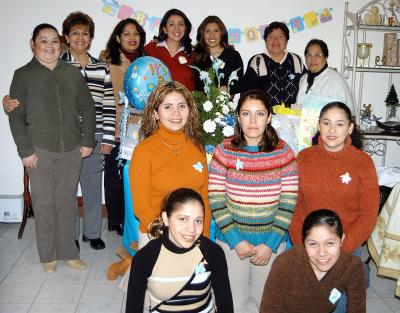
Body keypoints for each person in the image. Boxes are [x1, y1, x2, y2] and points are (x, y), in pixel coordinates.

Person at [7, 23, 95, 272]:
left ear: (61, 44)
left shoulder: (71, 72)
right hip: (39, 150)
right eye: (43, 41)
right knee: (44, 203)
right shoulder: (22, 74)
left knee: (66, 201)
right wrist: (25, 151)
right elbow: (15, 115)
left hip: (71, 148)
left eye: (54, 41)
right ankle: (47, 255)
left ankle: (69, 251)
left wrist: (87, 140)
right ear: (32, 44)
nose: (49, 46)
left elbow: (87, 108)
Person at [208, 89, 298, 312]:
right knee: (233, 305)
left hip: (271, 241)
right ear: (238, 117)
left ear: (269, 117)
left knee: (266, 305)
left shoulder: (284, 153)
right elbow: (217, 200)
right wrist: (235, 239)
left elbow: (288, 203)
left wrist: (270, 244)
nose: (253, 121)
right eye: (246, 114)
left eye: (259, 114)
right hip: (231, 240)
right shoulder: (223, 151)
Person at [289, 101, 379, 254]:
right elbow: (292, 206)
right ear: (318, 126)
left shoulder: (363, 162)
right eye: (326, 123)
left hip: (347, 245)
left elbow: (368, 214)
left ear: (349, 128)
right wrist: (303, 244)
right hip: (307, 244)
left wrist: (344, 248)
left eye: (339, 124)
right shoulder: (304, 158)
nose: (332, 130)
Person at [126, 188, 233, 313]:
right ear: (166, 218)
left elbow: (225, 303)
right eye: (183, 219)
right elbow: (133, 308)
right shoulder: (145, 257)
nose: (192, 229)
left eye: (198, 221)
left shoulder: (213, 252)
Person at [130, 81, 211, 246]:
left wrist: (205, 237)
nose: (176, 113)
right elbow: (141, 207)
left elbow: (204, 199)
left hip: (193, 235)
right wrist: (169, 237)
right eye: (167, 107)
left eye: (182, 106)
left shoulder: (197, 147)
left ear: (190, 110)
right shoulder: (144, 151)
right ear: (155, 113)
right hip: (156, 235)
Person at [61, 11, 116, 250]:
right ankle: (70, 234)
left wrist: (108, 138)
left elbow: (108, 104)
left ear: (91, 38)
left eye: (85, 34)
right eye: (75, 33)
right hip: (67, 137)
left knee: (93, 187)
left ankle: (92, 233)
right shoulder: (58, 66)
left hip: (95, 135)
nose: (80, 38)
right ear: (67, 36)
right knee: (68, 188)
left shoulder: (100, 67)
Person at [260, 209, 366, 313]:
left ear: (341, 240)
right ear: (303, 242)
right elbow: (268, 309)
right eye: (313, 244)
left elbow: (357, 309)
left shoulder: (352, 266)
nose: (321, 253)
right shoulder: (285, 263)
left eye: (330, 243)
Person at [101, 18, 146, 236]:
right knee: (115, 173)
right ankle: (115, 219)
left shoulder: (146, 61)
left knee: (136, 174)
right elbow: (103, 97)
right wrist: (112, 125)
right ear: (118, 37)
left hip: (142, 126)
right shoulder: (108, 61)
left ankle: (132, 217)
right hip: (117, 125)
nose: (132, 38)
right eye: (126, 34)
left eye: (136, 33)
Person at [241, 22, 304, 107]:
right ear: (265, 40)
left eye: (280, 37)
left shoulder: (296, 60)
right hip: (265, 116)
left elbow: (306, 88)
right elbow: (248, 93)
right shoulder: (257, 61)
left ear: (287, 40)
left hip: (293, 116)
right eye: (271, 37)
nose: (275, 40)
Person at [296, 39, 355, 113]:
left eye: (318, 55)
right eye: (309, 55)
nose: (312, 59)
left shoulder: (336, 80)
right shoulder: (303, 79)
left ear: (326, 57)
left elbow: (345, 112)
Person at [144, 9, 195, 91]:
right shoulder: (150, 49)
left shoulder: (192, 55)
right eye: (171, 24)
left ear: (185, 28)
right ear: (164, 29)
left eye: (181, 24)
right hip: (156, 103)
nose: (177, 28)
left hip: (184, 103)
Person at [193, 15, 243, 95]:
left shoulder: (233, 56)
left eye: (216, 31)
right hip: (198, 105)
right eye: (207, 31)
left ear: (221, 33)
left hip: (225, 105)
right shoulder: (195, 56)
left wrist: (226, 89)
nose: (212, 35)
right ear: (202, 34)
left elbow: (239, 83)